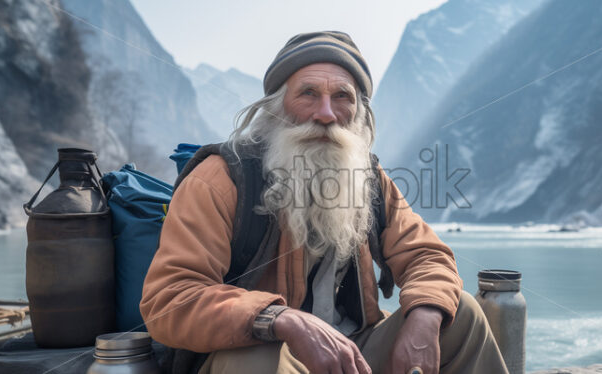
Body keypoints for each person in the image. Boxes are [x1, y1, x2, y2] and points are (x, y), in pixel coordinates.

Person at [140, 31, 509, 374]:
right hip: (259, 355)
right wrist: (279, 319)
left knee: (462, 313)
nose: (326, 114)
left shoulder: (368, 178)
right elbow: (170, 300)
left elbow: (427, 255)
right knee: (255, 360)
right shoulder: (219, 180)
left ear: (358, 112)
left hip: (352, 355)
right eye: (309, 94)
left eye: (342, 97)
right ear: (276, 106)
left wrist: (426, 314)